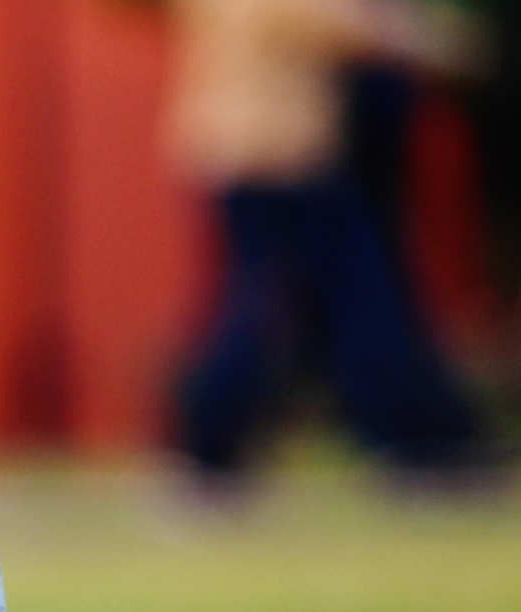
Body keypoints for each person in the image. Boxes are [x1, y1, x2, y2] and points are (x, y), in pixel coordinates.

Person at [168, 0, 490, 475]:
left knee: (294, 298)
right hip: (281, 156)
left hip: (249, 153)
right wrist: (439, 42)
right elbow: (349, 30)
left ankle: (211, 447)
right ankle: (208, 446)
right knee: (316, 298)